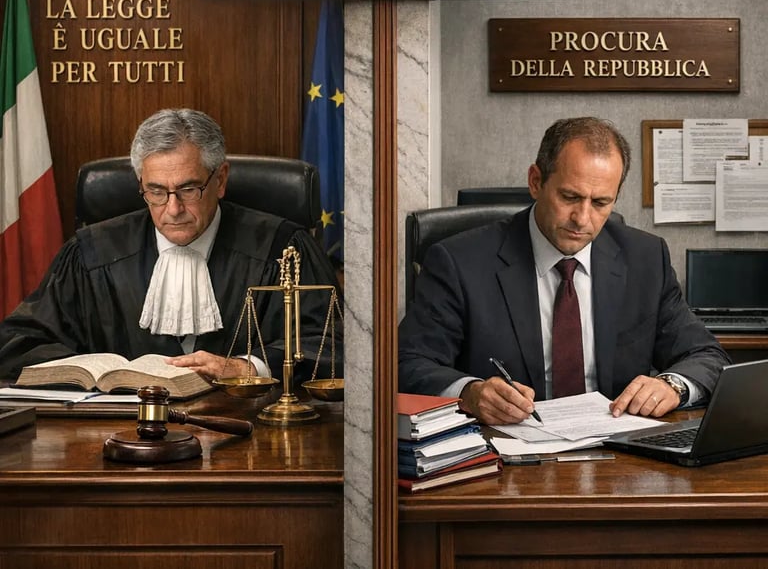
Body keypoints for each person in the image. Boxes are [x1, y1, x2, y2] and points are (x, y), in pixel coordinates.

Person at [398, 117, 730, 425]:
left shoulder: (645, 258)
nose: (583, 219)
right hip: (506, 457)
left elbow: (707, 355)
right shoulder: (459, 261)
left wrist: (672, 385)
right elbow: (407, 364)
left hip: (620, 454)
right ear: (535, 181)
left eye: (601, 203)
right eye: (570, 197)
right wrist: (469, 393)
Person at [0, 108, 343, 384]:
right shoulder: (91, 254)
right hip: (115, 436)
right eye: (157, 192)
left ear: (220, 179)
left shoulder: (282, 248)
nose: (173, 209)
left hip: (249, 432)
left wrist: (249, 368)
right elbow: (15, 343)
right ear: (141, 185)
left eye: (189, 189)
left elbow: (333, 343)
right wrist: (86, 371)